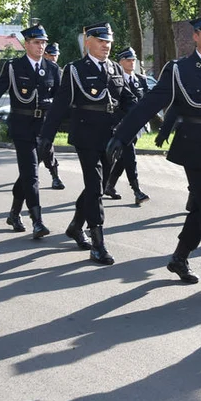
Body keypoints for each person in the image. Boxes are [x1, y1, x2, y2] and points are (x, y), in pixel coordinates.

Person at [108, 12, 201, 300]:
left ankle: (179, 257)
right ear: (196, 36)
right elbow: (149, 104)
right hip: (196, 148)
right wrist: (122, 134)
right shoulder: (179, 70)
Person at [39, 22, 138, 264]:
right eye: (102, 41)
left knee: (100, 186)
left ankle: (75, 226)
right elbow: (60, 105)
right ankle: (98, 243)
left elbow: (128, 101)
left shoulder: (115, 68)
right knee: (95, 187)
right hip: (86, 135)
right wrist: (46, 136)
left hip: (110, 137)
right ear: (88, 42)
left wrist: (138, 122)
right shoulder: (75, 70)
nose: (107, 45)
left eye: (109, 41)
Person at [0, 24, 61, 238]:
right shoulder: (13, 67)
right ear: (26, 44)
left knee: (27, 175)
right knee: (32, 175)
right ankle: (37, 221)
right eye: (37, 42)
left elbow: (62, 101)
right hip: (22, 127)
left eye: (43, 43)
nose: (41, 46)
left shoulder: (53, 69)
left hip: (43, 129)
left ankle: (14, 213)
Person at [104, 46, 152, 205]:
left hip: (136, 127)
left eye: (133, 60)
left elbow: (145, 102)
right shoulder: (115, 79)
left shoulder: (141, 79)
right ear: (120, 62)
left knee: (123, 159)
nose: (132, 63)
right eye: (128, 60)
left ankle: (109, 185)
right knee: (130, 156)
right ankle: (136, 190)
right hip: (121, 126)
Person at [40, 42, 67, 191]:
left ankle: (55, 176)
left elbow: (59, 94)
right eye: (50, 54)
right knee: (38, 147)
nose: (53, 58)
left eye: (55, 55)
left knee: (46, 145)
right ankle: (31, 175)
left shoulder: (57, 70)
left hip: (48, 115)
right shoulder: (39, 68)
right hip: (32, 115)